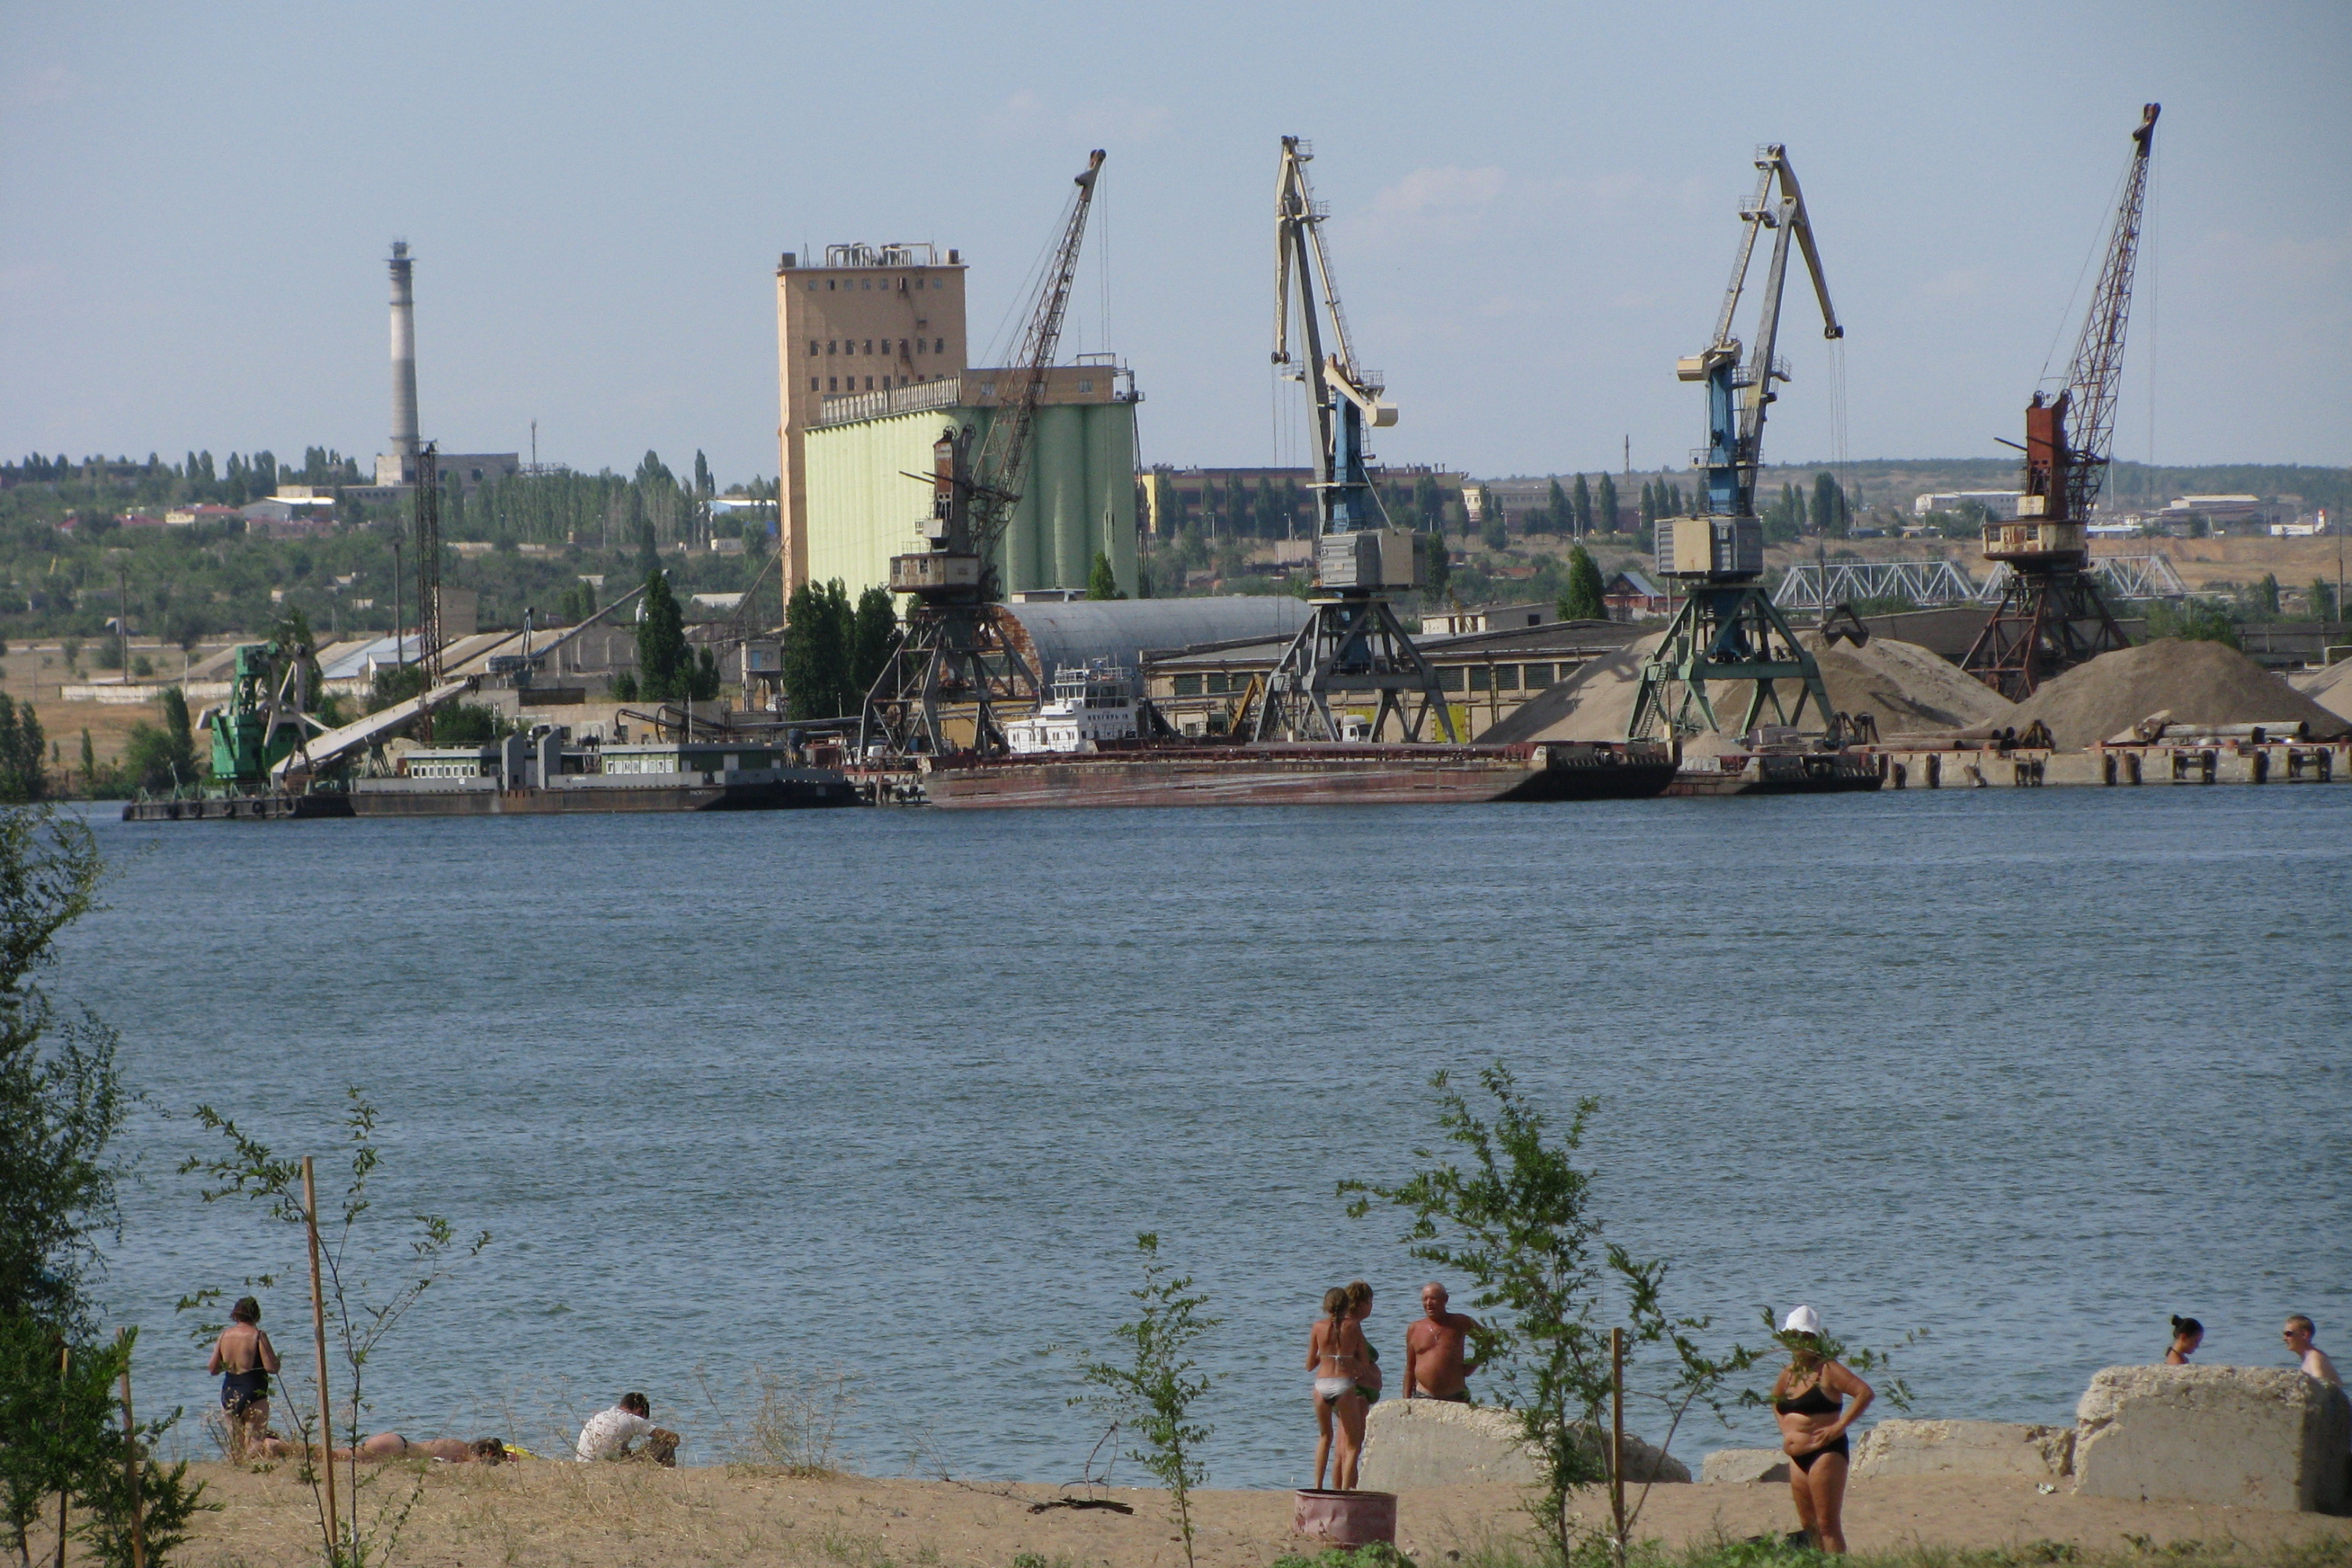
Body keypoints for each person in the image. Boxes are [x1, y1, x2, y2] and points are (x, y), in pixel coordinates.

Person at [1771, 1305, 1872, 1556]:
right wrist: (1784, 1426)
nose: (1799, 1343)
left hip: (1825, 1453)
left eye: (1804, 1337)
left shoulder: (1828, 1369)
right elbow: (1774, 1399)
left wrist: (1839, 1426)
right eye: (1794, 1337)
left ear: (1815, 1339)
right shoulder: (1789, 1372)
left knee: (1827, 1525)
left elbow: (1864, 1393)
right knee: (1809, 1527)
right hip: (1797, 1458)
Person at [1306, 1287, 1370, 1490]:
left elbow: (1309, 1365)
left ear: (1325, 1306)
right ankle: (1344, 1491)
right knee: (1352, 1444)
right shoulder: (1353, 1326)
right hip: (1344, 1384)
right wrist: (1352, 1365)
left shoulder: (1317, 1327)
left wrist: (1325, 1354)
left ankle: (1317, 1487)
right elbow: (1365, 1361)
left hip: (1321, 1384)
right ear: (1347, 1306)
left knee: (1325, 1437)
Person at [205, 1297, 281, 1461]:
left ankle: (238, 1468)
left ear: (235, 1315)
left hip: (230, 1391)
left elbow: (212, 1369)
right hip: (254, 1389)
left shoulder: (224, 1335)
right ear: (257, 1315)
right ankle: (248, 1466)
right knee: (256, 1441)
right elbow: (271, 1368)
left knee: (236, 1445)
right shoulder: (258, 1335)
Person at [1403, 1282, 1481, 1402]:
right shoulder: (1414, 1329)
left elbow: (1489, 1340)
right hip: (1423, 1395)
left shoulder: (1460, 1322)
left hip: (1457, 1396)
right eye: (1425, 1299)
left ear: (1445, 1299)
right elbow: (1410, 1369)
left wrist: (1473, 1364)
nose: (1428, 1303)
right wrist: (1405, 1401)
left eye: (1433, 1298)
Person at [576, 1392, 680, 1466]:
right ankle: (667, 1471)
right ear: (639, 1412)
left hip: (582, 1461)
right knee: (666, 1441)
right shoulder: (633, 1419)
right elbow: (673, 1438)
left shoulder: (601, 1415)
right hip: (605, 1464)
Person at [1346, 1281, 1383, 1406]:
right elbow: (1344, 1356)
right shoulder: (1349, 1326)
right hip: (1356, 1391)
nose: (1371, 1306)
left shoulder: (1354, 1325)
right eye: (1370, 1302)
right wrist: (1369, 1379)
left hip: (1360, 1389)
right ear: (1362, 1304)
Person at [2284, 1316, 2340, 1388]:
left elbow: (2321, 1389)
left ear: (2304, 1334)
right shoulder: (2309, 1358)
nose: (2284, 1339)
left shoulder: (2315, 1358)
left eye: (2288, 1334)